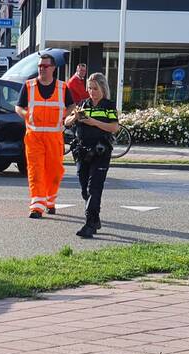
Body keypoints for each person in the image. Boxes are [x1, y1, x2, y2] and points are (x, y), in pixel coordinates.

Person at [15, 52, 73, 219]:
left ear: (53, 68)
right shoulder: (28, 86)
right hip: (34, 138)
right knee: (35, 171)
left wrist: (64, 115)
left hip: (54, 138)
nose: (41, 69)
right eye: (40, 66)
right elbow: (18, 107)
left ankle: (50, 200)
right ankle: (37, 206)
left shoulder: (62, 87)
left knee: (55, 172)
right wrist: (26, 114)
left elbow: (72, 105)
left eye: (45, 66)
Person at [65, 72, 119, 238]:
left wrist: (93, 122)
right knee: (84, 189)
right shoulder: (83, 104)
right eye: (89, 88)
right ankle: (95, 219)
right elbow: (66, 123)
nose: (92, 92)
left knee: (94, 188)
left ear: (103, 88)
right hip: (82, 151)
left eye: (95, 88)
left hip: (100, 151)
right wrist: (74, 117)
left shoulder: (108, 106)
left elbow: (114, 127)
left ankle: (89, 225)